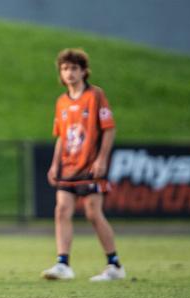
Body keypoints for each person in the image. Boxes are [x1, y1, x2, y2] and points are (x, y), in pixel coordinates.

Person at [41, 48, 126, 281]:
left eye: (74, 68)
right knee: (61, 210)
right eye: (65, 68)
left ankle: (114, 264)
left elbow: (108, 129)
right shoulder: (62, 102)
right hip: (68, 166)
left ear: (84, 71)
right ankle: (63, 264)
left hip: (89, 166)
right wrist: (54, 164)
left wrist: (101, 159)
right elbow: (61, 135)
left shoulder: (95, 95)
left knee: (92, 213)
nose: (69, 73)